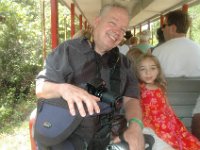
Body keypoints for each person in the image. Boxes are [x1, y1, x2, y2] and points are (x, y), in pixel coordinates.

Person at [35, 3, 144, 150]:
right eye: (112, 23)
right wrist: (63, 89)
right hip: (70, 136)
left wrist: (135, 126)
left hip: (113, 139)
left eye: (123, 29)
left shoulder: (125, 63)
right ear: (97, 21)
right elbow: (41, 88)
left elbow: (131, 99)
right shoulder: (68, 50)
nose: (117, 31)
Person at [134, 54, 200, 150]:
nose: (148, 73)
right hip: (150, 124)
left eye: (152, 68)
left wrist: (175, 122)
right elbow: (135, 107)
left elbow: (167, 106)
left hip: (168, 123)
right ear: (137, 72)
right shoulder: (139, 88)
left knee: (185, 142)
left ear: (158, 70)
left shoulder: (161, 87)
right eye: (143, 69)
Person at [152, 10, 200, 77]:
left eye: (164, 26)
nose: (162, 29)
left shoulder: (158, 51)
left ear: (173, 28)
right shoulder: (198, 48)